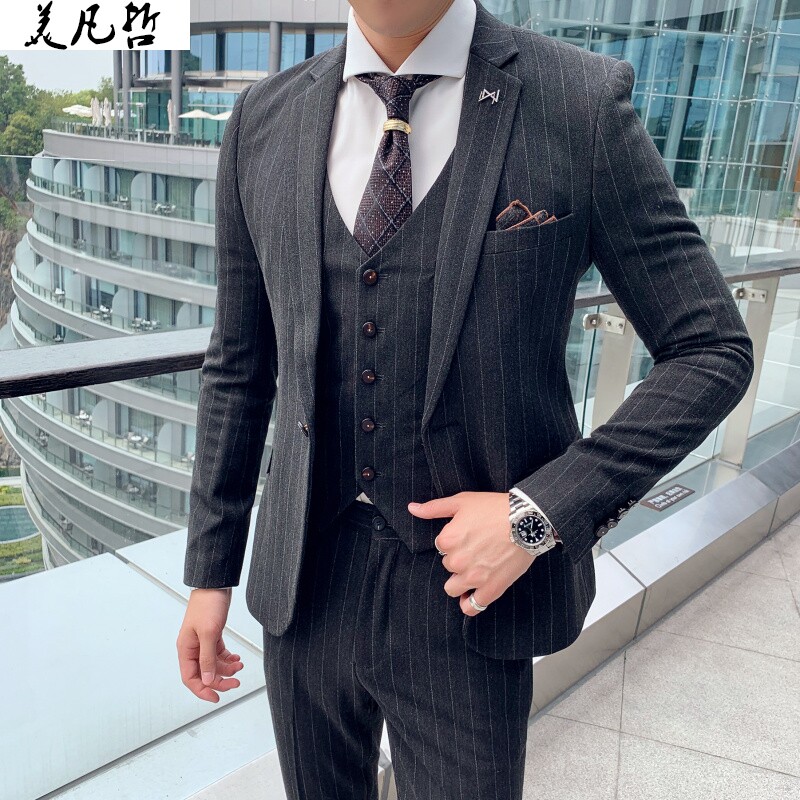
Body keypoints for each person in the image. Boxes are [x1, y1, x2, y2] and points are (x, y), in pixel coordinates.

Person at [177, 0, 755, 797]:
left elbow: (712, 348)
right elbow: (239, 366)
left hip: (473, 595)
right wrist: (210, 573)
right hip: (303, 587)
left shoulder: (578, 100)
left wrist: (537, 514)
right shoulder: (262, 118)